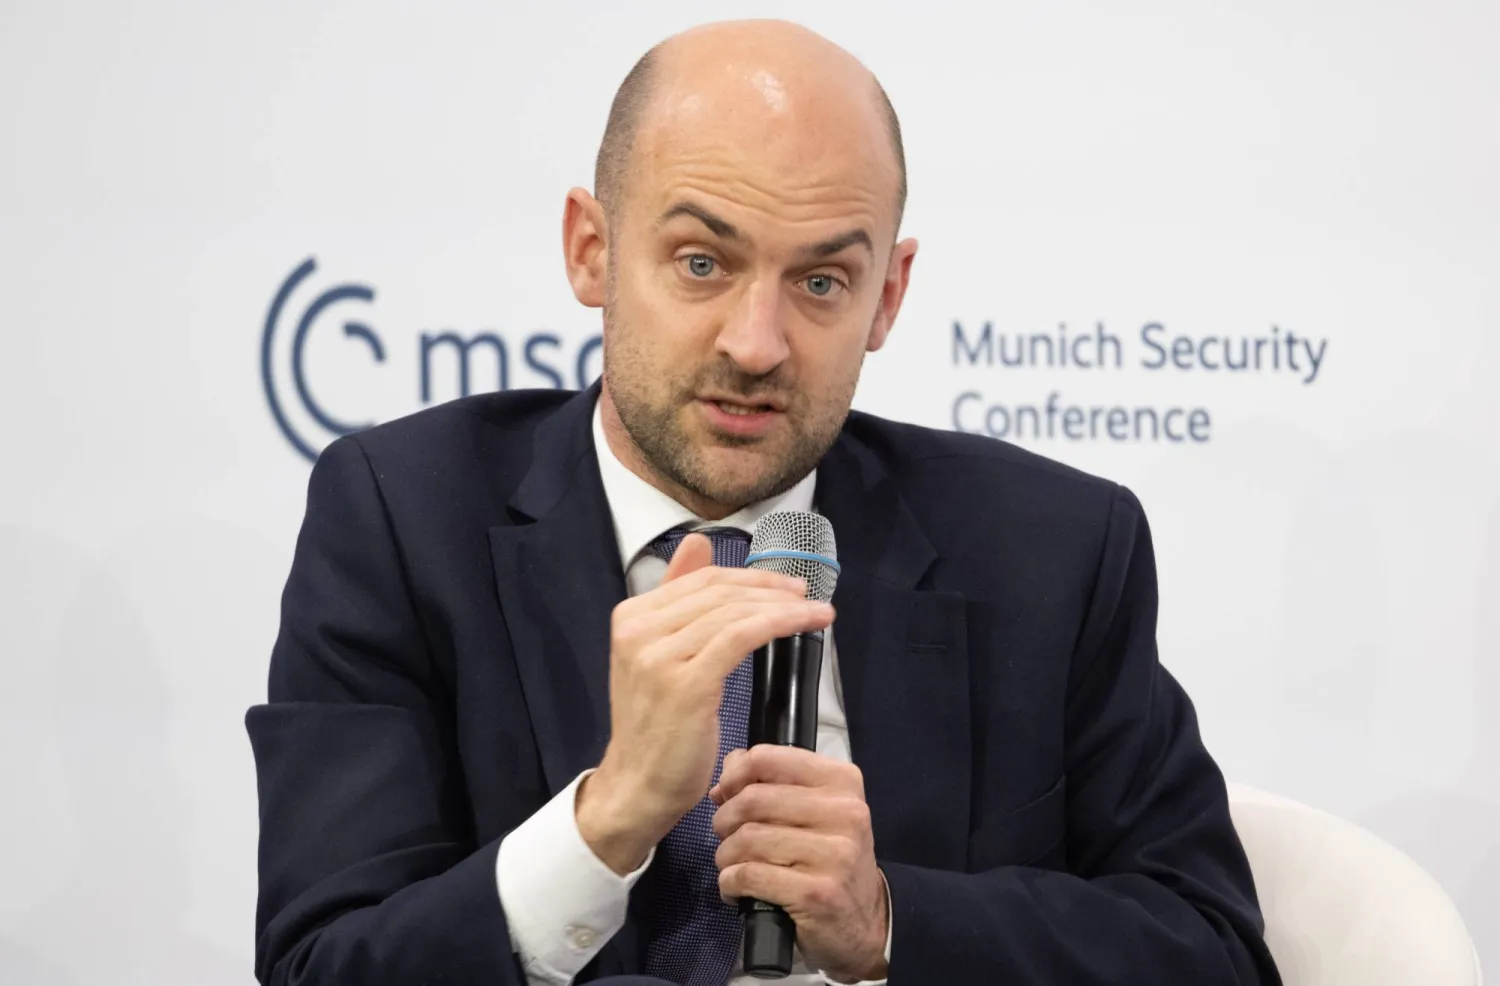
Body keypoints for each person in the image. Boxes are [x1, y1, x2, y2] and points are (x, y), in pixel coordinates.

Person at [247, 18, 1280, 986]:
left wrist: (887, 920)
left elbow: (1211, 947)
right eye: (702, 263)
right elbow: (325, 961)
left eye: (821, 282)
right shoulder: (401, 521)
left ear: (887, 296)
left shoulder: (1051, 551)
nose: (756, 344)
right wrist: (607, 819)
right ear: (591, 250)